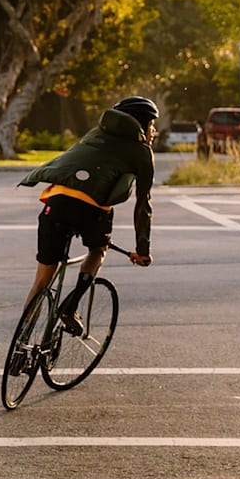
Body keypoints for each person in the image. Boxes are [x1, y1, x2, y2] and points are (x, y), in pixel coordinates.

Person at [17, 96, 156, 334]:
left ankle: (21, 344)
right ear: (142, 125)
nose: (154, 131)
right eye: (152, 126)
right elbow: (143, 205)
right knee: (97, 251)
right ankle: (69, 308)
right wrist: (142, 250)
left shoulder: (94, 134)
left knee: (41, 282)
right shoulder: (142, 152)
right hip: (93, 209)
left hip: (56, 201)